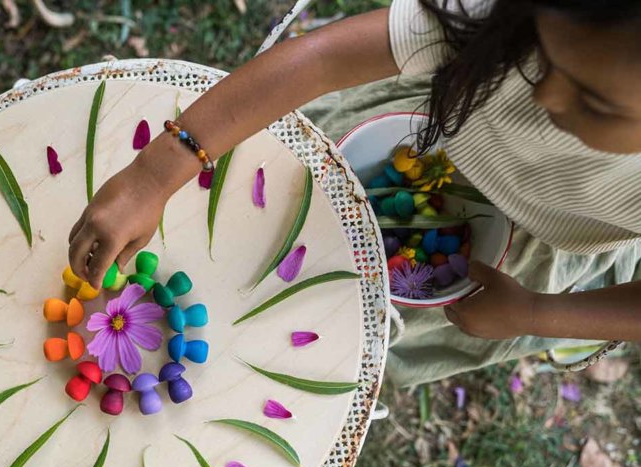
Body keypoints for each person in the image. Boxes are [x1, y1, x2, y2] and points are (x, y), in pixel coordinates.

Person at [67, 0, 641, 386]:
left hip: (527, 252)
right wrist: (156, 173)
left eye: (596, 102)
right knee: (245, 234)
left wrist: (536, 312)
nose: (547, 99)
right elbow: (324, 59)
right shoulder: (531, 12)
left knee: (332, 338)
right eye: (541, 55)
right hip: (415, 132)